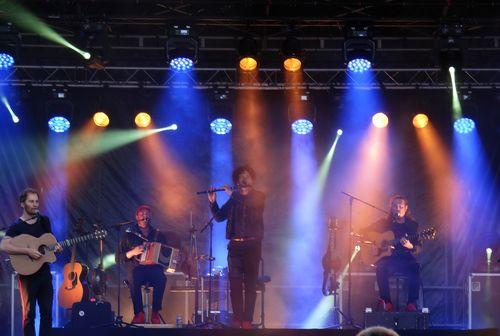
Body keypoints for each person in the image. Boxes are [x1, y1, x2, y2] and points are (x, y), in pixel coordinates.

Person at [208, 165, 265, 329]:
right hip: (235, 246)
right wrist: (213, 203)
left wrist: (232, 194)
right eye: (241, 177)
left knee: (250, 285)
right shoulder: (233, 199)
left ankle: (247, 320)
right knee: (235, 284)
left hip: (253, 246)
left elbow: (251, 207)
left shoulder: (259, 197)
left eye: (247, 176)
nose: (243, 179)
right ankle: (238, 319)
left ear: (252, 180)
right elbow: (219, 217)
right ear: (237, 180)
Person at [0, 188, 62, 336]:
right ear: (22, 204)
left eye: (37, 201)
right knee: (29, 315)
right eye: (31, 201)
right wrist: (27, 251)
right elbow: (3, 245)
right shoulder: (16, 227)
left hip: (44, 274)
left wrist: (56, 248)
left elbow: (49, 242)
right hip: (27, 277)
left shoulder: (44, 221)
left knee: (47, 314)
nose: (35, 204)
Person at [364, 195, 422, 312]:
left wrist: (411, 246)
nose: (398, 208)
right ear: (391, 208)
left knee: (415, 267)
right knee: (381, 267)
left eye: (400, 206)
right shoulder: (385, 223)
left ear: (406, 208)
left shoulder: (413, 226)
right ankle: (387, 301)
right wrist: (375, 244)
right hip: (389, 260)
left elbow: (419, 248)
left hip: (405, 258)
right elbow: (365, 232)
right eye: (395, 206)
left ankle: (411, 303)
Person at [116, 205, 168, 324]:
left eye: (147, 213)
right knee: (133, 277)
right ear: (136, 217)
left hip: (153, 268)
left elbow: (165, 254)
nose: (145, 215)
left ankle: (155, 312)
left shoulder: (158, 234)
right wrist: (132, 252)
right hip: (137, 269)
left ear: (150, 217)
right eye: (142, 213)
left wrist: (169, 259)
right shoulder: (129, 235)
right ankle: (139, 313)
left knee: (161, 277)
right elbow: (118, 257)